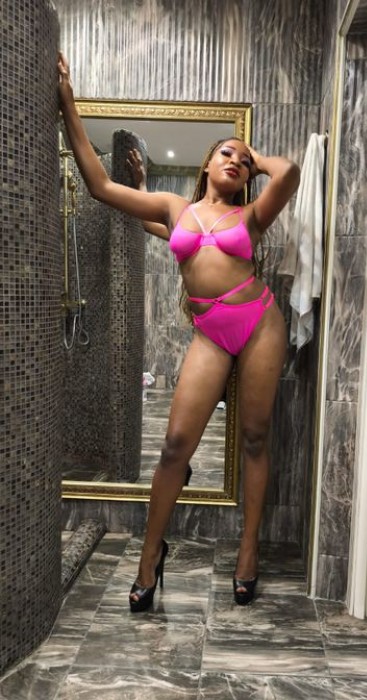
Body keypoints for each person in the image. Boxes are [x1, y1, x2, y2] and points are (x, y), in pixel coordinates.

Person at [57, 52, 300, 611]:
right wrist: (68, 102)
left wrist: (255, 156)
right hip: (212, 333)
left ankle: (248, 551)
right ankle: (150, 556)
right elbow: (97, 184)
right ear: (206, 163)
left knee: (256, 437)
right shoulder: (175, 209)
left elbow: (288, 173)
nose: (236, 160)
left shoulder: (251, 216)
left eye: (243, 159)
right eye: (226, 152)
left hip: (260, 324)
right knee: (173, 448)